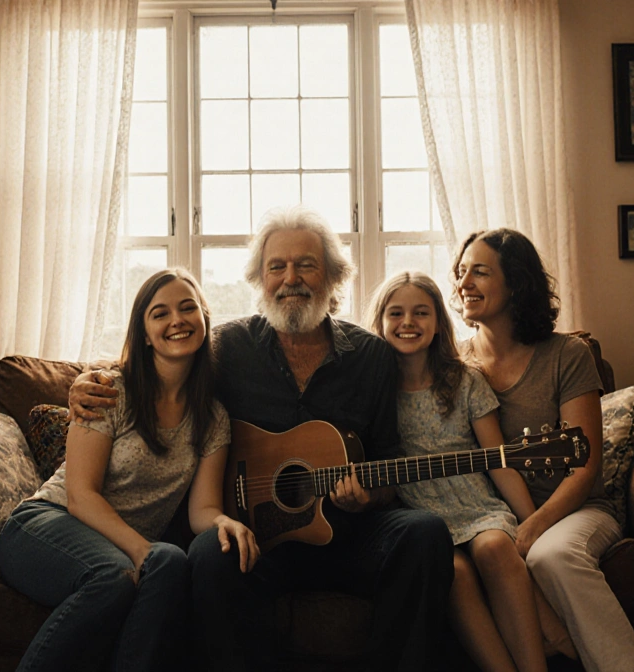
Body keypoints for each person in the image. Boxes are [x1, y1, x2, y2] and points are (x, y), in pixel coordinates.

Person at [70, 205, 454, 671]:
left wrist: (368, 496)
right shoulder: (228, 347)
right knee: (210, 553)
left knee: (424, 533)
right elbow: (161, 366)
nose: (291, 278)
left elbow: (389, 459)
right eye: (277, 267)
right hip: (256, 536)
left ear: (333, 276)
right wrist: (87, 382)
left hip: (347, 535)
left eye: (306, 265)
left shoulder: (371, 355)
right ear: (260, 278)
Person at [0, 269, 259, 672]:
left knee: (170, 560)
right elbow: (80, 496)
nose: (177, 320)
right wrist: (141, 551)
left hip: (120, 548)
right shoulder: (108, 391)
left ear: (205, 318)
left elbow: (201, 510)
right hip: (44, 525)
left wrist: (225, 521)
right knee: (119, 573)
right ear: (145, 333)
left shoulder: (213, 417)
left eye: (188, 308)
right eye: (160, 313)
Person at [452, 229, 634, 672]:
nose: (464, 283)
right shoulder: (454, 365)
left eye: (480, 272)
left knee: (553, 554)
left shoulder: (568, 354)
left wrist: (533, 527)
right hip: (492, 519)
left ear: (516, 283)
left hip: (577, 510)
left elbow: (585, 466)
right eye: (461, 271)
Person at [366, 271, 575, 672]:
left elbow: (499, 460)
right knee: (453, 572)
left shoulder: (465, 380)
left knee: (495, 547)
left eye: (421, 312)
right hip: (420, 518)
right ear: (380, 322)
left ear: (438, 323)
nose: (408, 322)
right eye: (396, 313)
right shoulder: (375, 390)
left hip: (477, 507)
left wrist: (531, 525)